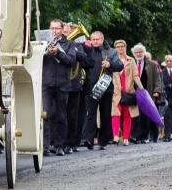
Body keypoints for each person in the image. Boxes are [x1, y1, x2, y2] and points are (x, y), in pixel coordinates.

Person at [80, 31, 124, 150]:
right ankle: (88, 140)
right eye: (93, 39)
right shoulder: (87, 51)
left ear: (102, 40)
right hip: (90, 87)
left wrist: (110, 65)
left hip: (106, 88)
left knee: (105, 115)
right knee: (91, 114)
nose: (95, 42)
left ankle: (103, 141)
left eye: (97, 40)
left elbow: (120, 65)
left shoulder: (111, 52)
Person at [41, 19, 77, 156]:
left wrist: (58, 53)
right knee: (46, 115)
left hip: (62, 84)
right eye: (52, 28)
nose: (54, 31)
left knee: (62, 116)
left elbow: (71, 61)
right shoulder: (43, 43)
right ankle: (45, 146)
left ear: (62, 29)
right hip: (47, 83)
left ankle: (59, 145)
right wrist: (44, 51)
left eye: (57, 28)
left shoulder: (69, 44)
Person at [61, 23, 94, 153]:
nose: (69, 34)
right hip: (62, 82)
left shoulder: (82, 46)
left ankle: (73, 141)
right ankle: (59, 141)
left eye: (72, 31)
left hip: (77, 83)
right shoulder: (60, 44)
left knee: (76, 115)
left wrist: (74, 52)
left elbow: (88, 62)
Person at [110, 40, 142, 146]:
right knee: (115, 113)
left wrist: (141, 89)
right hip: (116, 91)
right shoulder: (112, 60)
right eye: (118, 47)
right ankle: (115, 136)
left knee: (127, 115)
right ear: (115, 48)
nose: (120, 48)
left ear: (125, 47)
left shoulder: (131, 60)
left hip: (128, 91)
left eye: (122, 46)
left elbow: (135, 76)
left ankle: (126, 138)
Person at [130, 43, 162, 144]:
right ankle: (136, 136)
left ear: (144, 53)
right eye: (136, 52)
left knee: (146, 115)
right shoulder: (131, 63)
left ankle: (145, 136)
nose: (138, 54)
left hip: (147, 93)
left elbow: (157, 79)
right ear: (134, 54)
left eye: (140, 52)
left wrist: (157, 91)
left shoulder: (152, 64)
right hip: (134, 93)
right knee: (136, 115)